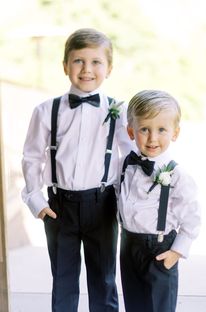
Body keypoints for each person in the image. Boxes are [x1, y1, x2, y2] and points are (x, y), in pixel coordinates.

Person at [21, 28, 133, 312]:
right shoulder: (46, 111)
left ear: (109, 68)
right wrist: (37, 201)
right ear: (65, 66)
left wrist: (125, 202)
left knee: (104, 280)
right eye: (78, 61)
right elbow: (32, 157)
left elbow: (129, 158)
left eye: (96, 62)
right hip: (60, 207)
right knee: (63, 281)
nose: (86, 69)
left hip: (103, 205)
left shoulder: (118, 110)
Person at [118, 90, 201, 312]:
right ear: (130, 131)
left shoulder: (178, 175)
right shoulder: (124, 165)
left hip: (160, 249)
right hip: (128, 245)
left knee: (159, 307)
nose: (153, 138)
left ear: (175, 133)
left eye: (161, 130)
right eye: (144, 129)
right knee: (134, 304)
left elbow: (192, 218)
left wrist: (176, 252)